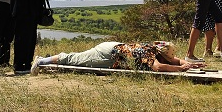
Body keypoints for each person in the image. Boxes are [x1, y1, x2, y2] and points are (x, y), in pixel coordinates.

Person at [30, 41, 204, 75]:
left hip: (113, 47)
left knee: (75, 57)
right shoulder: (149, 53)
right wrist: (180, 69)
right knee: (73, 59)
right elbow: (158, 67)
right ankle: (41, 61)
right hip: (107, 55)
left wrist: (187, 64)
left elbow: (174, 60)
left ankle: (44, 60)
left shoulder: (153, 48)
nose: (172, 58)